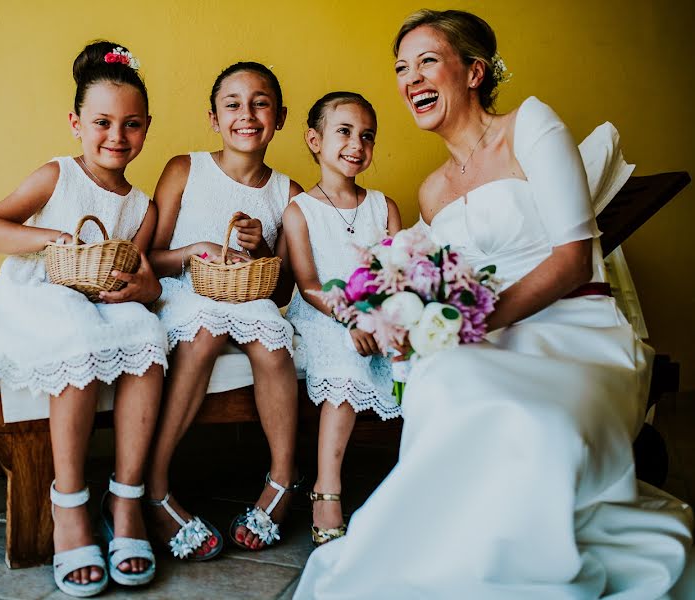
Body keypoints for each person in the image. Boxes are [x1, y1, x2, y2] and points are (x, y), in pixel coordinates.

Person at [295, 9, 693, 599]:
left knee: (535, 420)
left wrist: (472, 322)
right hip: (479, 338)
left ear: (475, 71)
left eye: (428, 60)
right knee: (447, 386)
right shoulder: (431, 191)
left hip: (575, 326)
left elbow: (573, 258)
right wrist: (408, 314)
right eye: (402, 68)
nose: (410, 79)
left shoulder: (529, 127)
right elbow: (439, 281)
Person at [0, 41, 166, 596]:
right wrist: (48, 238)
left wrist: (143, 288)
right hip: (35, 297)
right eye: (102, 122)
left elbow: (140, 277)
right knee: (75, 332)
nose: (116, 137)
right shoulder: (57, 176)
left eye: (132, 124)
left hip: (98, 302)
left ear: (146, 128)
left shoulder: (143, 205)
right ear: (76, 123)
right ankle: (68, 503)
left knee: (148, 334)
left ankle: (125, 498)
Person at [145, 61, 302, 559]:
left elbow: (282, 290)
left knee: (275, 345)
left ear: (278, 116)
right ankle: (154, 485)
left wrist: (260, 252)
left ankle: (280, 481)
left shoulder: (287, 193)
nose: (247, 114)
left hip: (248, 297)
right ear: (214, 118)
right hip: (187, 292)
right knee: (204, 335)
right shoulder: (184, 168)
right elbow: (150, 259)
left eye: (260, 103)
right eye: (232, 104)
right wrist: (196, 249)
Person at [283, 91, 402, 547]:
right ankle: (326, 486)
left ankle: (418, 476)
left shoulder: (383, 206)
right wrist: (350, 317)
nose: (358, 144)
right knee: (345, 362)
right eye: (345, 132)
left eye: (367, 136)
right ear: (315, 140)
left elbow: (397, 272)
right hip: (323, 315)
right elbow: (309, 282)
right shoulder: (301, 211)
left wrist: (384, 316)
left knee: (417, 358)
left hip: (377, 312)